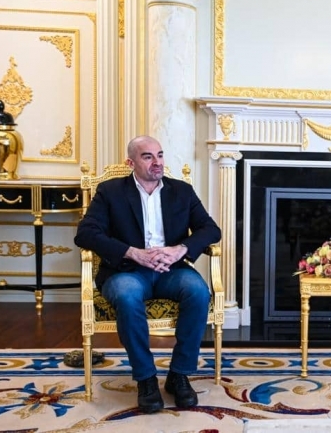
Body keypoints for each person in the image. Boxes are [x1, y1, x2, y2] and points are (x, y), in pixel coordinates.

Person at [74, 136, 221, 413]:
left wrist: (180, 250)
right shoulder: (110, 191)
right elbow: (85, 234)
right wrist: (132, 252)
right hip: (127, 271)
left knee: (198, 291)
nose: (157, 162)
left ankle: (179, 375)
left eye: (160, 155)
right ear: (130, 162)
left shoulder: (182, 191)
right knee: (127, 296)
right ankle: (146, 379)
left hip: (171, 270)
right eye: (148, 156)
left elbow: (211, 229)